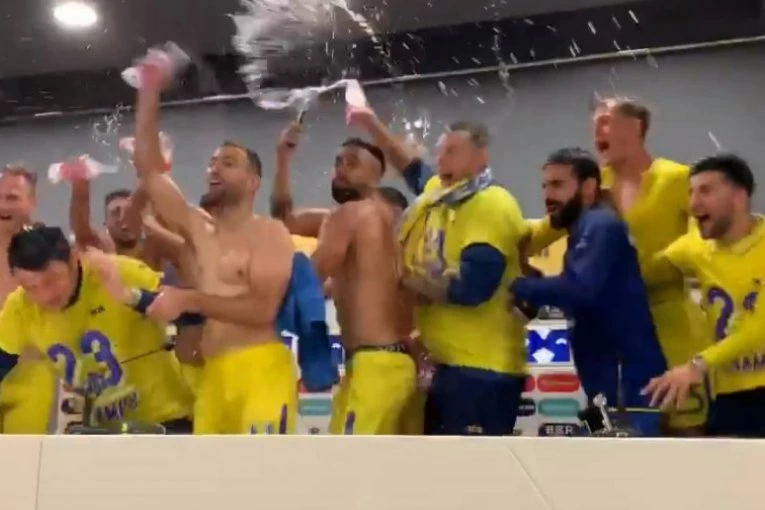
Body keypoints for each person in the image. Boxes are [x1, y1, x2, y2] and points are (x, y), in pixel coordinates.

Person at [129, 56, 297, 434]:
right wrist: (149, 91)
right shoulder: (198, 229)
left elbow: (262, 309)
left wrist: (190, 299)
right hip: (213, 374)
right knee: (209, 472)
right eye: (212, 163)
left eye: (228, 163)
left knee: (262, 469)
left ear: (253, 182)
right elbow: (149, 171)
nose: (214, 169)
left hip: (260, 369)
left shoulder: (270, 233)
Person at [524, 97, 710, 435]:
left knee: (685, 428)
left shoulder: (676, 177)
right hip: (611, 328)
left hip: (670, 318)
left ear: (636, 127)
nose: (597, 131)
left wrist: (648, 269)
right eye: (594, 124)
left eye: (606, 122)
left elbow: (701, 241)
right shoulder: (596, 185)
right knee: (619, 428)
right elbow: (540, 232)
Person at [350, 106, 528, 436]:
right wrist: (369, 121)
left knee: (465, 466)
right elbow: (408, 165)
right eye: (440, 151)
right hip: (445, 365)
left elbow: (471, 288)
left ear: (481, 157)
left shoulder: (490, 204)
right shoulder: (440, 195)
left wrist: (397, 276)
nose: (441, 160)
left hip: (481, 369)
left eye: (452, 152)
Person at [510, 148, 668, 435]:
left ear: (588, 187)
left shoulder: (600, 225)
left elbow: (579, 289)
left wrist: (516, 285)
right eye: (545, 186)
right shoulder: (585, 228)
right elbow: (579, 294)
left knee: (625, 457)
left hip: (623, 377)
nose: (548, 196)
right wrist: (531, 282)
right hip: (605, 376)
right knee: (602, 447)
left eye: (558, 185)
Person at [0, 225, 194, 432]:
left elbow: (192, 316)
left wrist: (129, 296)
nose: (45, 295)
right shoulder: (21, 307)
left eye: (52, 280)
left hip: (165, 422)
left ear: (73, 258)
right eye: (31, 287)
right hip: (97, 432)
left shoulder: (117, 272)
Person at [642, 154, 765, 437]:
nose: (693, 203)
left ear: (739, 198)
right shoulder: (693, 247)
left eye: (705, 191)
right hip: (727, 398)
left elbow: (759, 327)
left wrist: (697, 365)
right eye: (691, 192)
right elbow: (645, 274)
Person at [309, 129, 416, 435]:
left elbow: (311, 276)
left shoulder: (350, 213)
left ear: (377, 174)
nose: (341, 169)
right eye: (338, 162)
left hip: (374, 366)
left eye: (352, 162)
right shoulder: (394, 222)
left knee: (344, 460)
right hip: (397, 365)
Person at [0, 165, 61, 434]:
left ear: (32, 201)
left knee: (22, 456)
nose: (3, 205)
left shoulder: (49, 251)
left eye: (12, 197)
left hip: (31, 372)